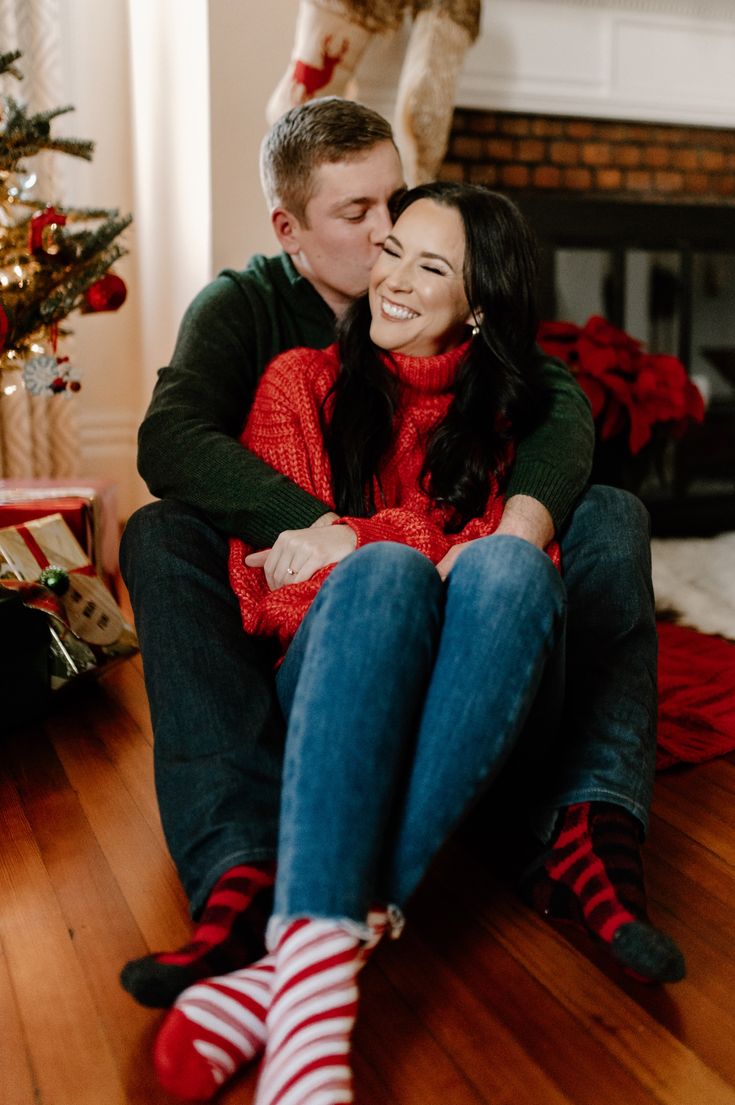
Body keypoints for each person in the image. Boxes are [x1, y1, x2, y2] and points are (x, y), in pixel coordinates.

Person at [119, 97, 682, 1014]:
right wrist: (336, 530)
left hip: (466, 619)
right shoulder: (259, 326)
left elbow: (558, 404)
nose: (390, 232)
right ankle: (244, 857)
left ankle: (589, 819)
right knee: (161, 531)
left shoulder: (466, 318)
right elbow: (172, 441)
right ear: (288, 230)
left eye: (402, 204)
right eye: (361, 217)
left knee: (609, 513)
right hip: (312, 621)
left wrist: (507, 542)